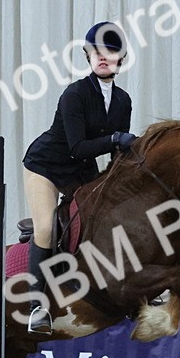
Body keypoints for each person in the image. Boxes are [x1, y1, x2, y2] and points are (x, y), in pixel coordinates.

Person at [21, 21, 136, 333]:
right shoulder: (74, 94)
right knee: (46, 226)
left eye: (110, 51)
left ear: (120, 58)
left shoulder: (123, 100)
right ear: (88, 55)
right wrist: (115, 138)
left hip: (81, 169)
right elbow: (77, 146)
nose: (102, 56)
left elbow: (116, 155)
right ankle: (36, 308)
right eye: (96, 51)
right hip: (47, 164)